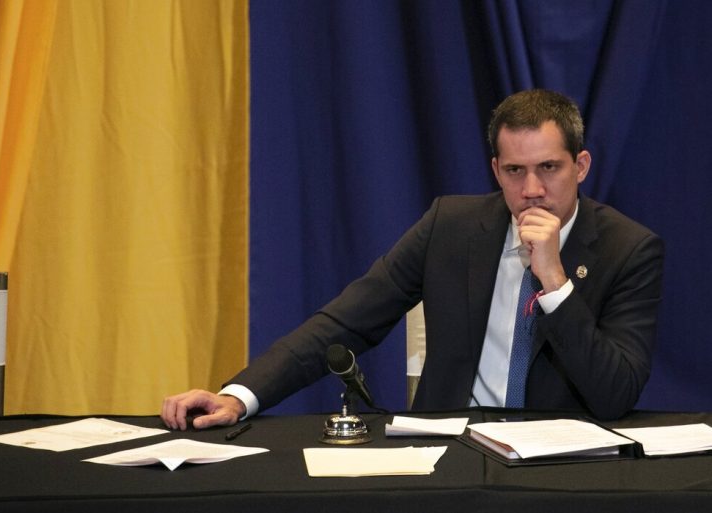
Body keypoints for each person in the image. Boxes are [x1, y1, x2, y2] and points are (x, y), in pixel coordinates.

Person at [161, 89, 664, 429]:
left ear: (580, 166)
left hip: (563, 464)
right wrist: (240, 395)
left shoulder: (629, 249)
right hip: (448, 453)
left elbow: (615, 392)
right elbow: (346, 320)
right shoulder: (451, 226)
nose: (531, 190)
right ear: (495, 169)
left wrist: (554, 282)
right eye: (515, 170)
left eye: (548, 168)